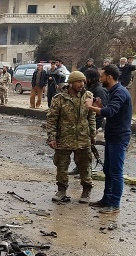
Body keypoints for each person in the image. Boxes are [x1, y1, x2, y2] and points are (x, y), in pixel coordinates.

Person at [86, 65, 133, 213]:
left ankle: (114, 204)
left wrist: (91, 107)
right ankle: (106, 199)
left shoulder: (120, 92)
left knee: (116, 171)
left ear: (109, 77)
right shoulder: (113, 91)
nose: (100, 79)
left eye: (102, 76)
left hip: (119, 137)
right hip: (112, 136)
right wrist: (100, 106)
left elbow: (110, 111)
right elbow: (110, 110)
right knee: (108, 169)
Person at [46, 71, 96, 203]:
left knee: (85, 166)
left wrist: (93, 134)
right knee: (62, 166)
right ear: (71, 83)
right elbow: (52, 119)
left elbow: (91, 117)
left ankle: (86, 191)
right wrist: (51, 137)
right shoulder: (59, 98)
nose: (82, 84)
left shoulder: (88, 96)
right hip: (64, 138)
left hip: (83, 138)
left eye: (83, 82)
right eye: (79, 81)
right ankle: (61, 190)